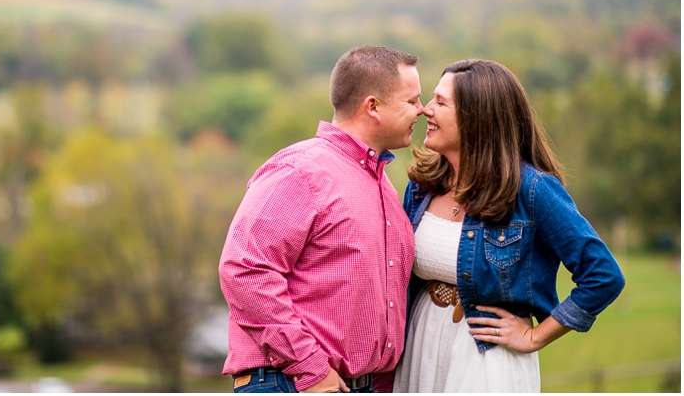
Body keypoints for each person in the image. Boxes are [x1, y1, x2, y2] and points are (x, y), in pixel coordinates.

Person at [394, 59, 626, 392]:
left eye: (441, 102)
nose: (425, 110)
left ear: (478, 118)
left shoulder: (532, 190)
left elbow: (603, 275)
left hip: (486, 357)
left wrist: (535, 336)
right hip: (420, 344)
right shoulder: (422, 186)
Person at [218, 45, 425, 393]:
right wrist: (310, 367)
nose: (422, 110)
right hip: (291, 383)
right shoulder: (300, 171)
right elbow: (244, 269)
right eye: (412, 101)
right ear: (372, 106)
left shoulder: (382, 182)